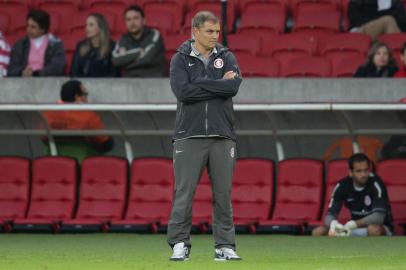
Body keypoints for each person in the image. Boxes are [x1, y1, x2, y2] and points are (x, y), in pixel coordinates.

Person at [167, 11, 242, 262]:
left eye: (217, 31)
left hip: (223, 135)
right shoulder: (179, 59)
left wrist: (201, 83)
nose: (215, 36)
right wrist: (218, 84)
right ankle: (179, 243)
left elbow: (233, 87)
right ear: (195, 31)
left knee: (223, 194)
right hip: (189, 136)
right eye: (209, 31)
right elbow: (183, 92)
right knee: (184, 193)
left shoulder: (227, 56)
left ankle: (225, 246)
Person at [312, 153, 394, 237]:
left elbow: (378, 218)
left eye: (366, 170)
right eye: (359, 171)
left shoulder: (376, 183)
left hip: (379, 228)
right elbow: (329, 215)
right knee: (318, 232)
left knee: (373, 229)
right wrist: (334, 224)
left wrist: (353, 224)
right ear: (350, 172)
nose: (363, 174)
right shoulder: (342, 185)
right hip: (353, 228)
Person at [42, 80, 113, 163]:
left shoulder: (47, 114)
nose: (87, 98)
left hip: (52, 161)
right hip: (83, 162)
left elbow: (44, 138)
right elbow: (106, 142)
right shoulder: (88, 116)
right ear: (77, 97)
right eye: (85, 94)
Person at [7, 9, 65, 77]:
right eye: (28, 25)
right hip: (23, 81)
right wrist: (22, 71)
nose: (28, 29)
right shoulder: (20, 44)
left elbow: (57, 67)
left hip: (47, 81)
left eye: (33, 27)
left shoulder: (56, 44)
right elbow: (12, 68)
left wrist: (36, 74)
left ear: (43, 29)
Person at [112, 4, 166, 77]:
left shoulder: (154, 34)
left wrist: (126, 62)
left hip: (153, 81)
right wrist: (138, 52)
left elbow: (148, 58)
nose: (132, 22)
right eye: (128, 19)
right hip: (129, 82)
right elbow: (116, 60)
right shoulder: (123, 39)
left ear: (144, 21)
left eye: (136, 18)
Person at [70, 13, 119, 77]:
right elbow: (74, 72)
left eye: (91, 25)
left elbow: (115, 74)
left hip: (105, 85)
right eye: (86, 25)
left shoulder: (112, 46)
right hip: (83, 85)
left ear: (100, 27)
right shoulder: (80, 46)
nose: (87, 28)